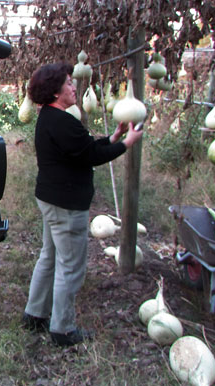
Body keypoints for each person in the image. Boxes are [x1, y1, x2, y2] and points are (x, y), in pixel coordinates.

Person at [21, 62, 143, 347]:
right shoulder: (62, 121)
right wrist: (127, 143)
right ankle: (62, 330)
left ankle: (35, 314)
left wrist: (113, 138)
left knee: (49, 257)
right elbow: (91, 157)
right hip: (65, 205)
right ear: (54, 91)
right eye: (68, 83)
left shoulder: (50, 118)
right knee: (70, 266)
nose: (74, 86)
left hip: (51, 199)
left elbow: (82, 150)